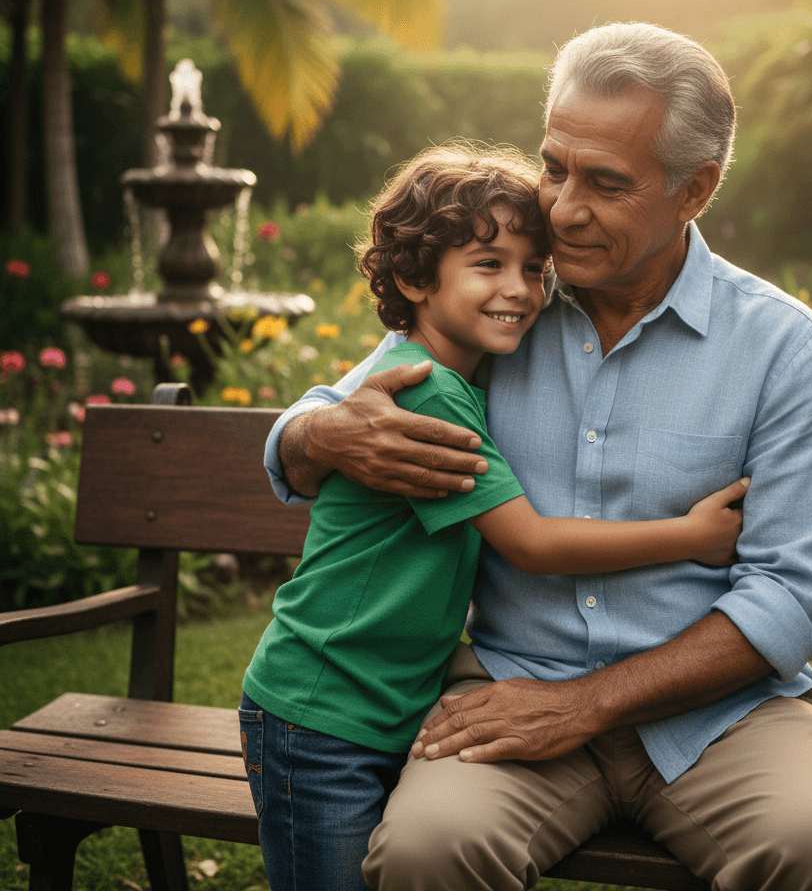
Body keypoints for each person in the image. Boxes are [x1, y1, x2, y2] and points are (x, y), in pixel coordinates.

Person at [265, 24, 812, 890]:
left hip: (722, 718)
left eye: (605, 182)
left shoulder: (780, 346)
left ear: (694, 191)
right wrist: (312, 434)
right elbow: (363, 392)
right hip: (511, 687)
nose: (561, 207)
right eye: (554, 165)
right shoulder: (506, 299)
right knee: (426, 853)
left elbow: (792, 598)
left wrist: (585, 705)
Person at [240, 143, 751, 891]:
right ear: (415, 279)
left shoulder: (452, 370)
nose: (520, 291)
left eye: (534, 270)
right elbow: (533, 544)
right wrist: (693, 536)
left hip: (382, 706)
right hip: (322, 712)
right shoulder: (428, 391)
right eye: (488, 266)